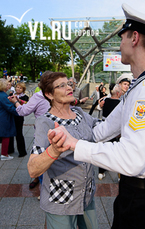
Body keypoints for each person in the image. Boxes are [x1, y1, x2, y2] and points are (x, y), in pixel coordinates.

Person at [48, 4, 145, 229]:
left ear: (135, 38)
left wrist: (74, 144)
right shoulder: (139, 87)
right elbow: (103, 130)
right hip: (134, 193)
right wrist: (66, 128)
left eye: (122, 38)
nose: (119, 45)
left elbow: (131, 158)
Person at [27, 72, 98, 229]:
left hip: (86, 193)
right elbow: (33, 169)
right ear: (49, 94)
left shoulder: (80, 114)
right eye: (62, 85)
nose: (69, 87)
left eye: (69, 83)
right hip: (62, 197)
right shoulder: (45, 121)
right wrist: (53, 151)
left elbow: (104, 129)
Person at [9, 71, 52, 189]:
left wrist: (15, 102)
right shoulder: (43, 96)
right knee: (47, 159)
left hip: (44, 134)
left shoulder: (40, 96)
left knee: (42, 159)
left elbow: (24, 111)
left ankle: (44, 186)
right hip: (50, 132)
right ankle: (39, 179)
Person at [97, 83, 122, 180]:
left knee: (103, 151)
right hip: (116, 131)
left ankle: (100, 172)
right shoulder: (121, 103)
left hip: (105, 129)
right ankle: (119, 175)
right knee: (118, 152)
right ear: (118, 93)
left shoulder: (105, 100)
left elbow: (99, 108)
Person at [8, 82, 29, 157]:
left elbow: (26, 105)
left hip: (19, 117)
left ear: (23, 89)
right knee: (10, 133)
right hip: (11, 116)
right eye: (17, 87)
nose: (18, 89)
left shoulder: (25, 97)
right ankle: (10, 149)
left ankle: (22, 151)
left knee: (19, 134)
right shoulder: (12, 95)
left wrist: (18, 101)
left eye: (20, 88)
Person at [0, 79, 18, 160]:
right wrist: (20, 111)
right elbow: (9, 107)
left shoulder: (2, 94)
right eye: (7, 85)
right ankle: (4, 154)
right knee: (6, 135)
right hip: (4, 117)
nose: (9, 86)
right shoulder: (3, 96)